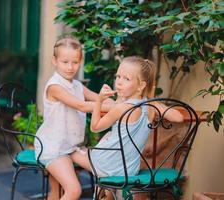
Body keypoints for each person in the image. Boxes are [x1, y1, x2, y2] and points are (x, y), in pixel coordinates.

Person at [71, 56, 184, 199]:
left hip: (108, 165)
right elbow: (179, 117)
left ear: (141, 85)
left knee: (69, 152)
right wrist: (152, 99)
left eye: (126, 79)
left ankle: (99, 191)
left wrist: (100, 100)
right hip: (129, 169)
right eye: (118, 76)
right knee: (104, 144)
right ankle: (106, 193)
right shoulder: (152, 106)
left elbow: (95, 127)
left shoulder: (122, 108)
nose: (119, 82)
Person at [34, 35, 113, 200]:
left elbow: (97, 97)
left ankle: (105, 193)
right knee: (74, 190)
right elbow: (81, 105)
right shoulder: (55, 86)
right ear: (54, 61)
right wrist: (107, 106)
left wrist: (118, 103)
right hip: (53, 148)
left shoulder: (77, 85)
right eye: (65, 62)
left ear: (80, 61)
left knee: (107, 170)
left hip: (71, 146)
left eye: (75, 62)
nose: (70, 67)